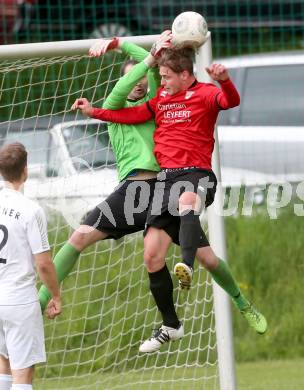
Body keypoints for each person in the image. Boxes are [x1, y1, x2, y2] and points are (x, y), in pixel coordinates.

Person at [73, 46, 268, 353]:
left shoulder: (205, 93)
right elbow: (130, 113)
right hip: (166, 180)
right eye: (160, 76)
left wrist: (225, 81)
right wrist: (93, 111)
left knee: (188, 201)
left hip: (197, 175)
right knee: (154, 254)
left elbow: (231, 101)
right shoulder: (161, 99)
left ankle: (228, 295)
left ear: (185, 75)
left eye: (165, 77)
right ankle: (171, 325)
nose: (160, 82)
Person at [38, 33, 172, 311]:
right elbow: (124, 85)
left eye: (142, 78)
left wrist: (121, 42)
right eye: (132, 78)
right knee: (78, 237)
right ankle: (40, 302)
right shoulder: (112, 108)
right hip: (132, 193)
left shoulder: (154, 106)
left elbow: (153, 63)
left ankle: (241, 303)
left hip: (160, 190)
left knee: (202, 255)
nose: (138, 82)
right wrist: (145, 58)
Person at [0, 142, 62, 390]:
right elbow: (44, 263)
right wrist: (56, 295)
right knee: (23, 374)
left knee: (3, 363)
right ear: (25, 170)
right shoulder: (30, 210)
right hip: (18, 299)